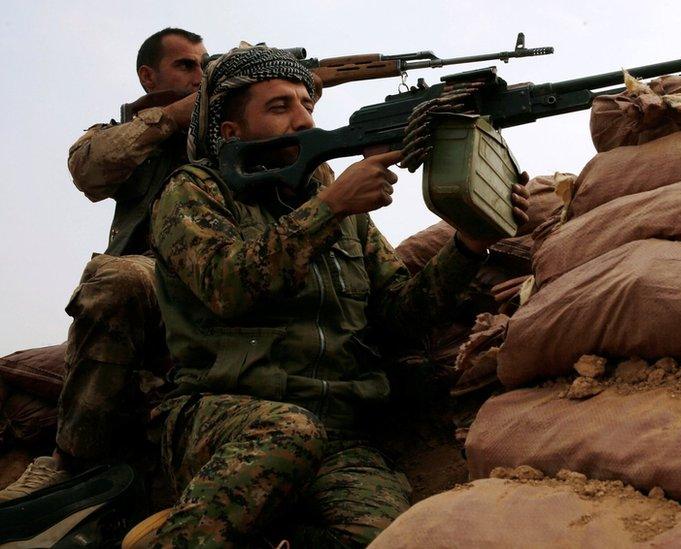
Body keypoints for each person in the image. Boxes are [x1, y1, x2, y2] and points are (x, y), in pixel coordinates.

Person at [130, 44, 530, 547]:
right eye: (279, 107)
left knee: (382, 535)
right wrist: (329, 207)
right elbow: (226, 286)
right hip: (225, 414)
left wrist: (469, 243)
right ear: (231, 133)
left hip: (341, 432)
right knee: (289, 430)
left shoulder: (345, 212)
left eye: (307, 105)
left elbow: (400, 314)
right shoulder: (194, 191)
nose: (302, 120)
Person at [0, 28, 207, 501]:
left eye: (205, 64)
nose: (200, 75)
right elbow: (90, 168)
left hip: (239, 263)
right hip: (163, 278)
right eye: (186, 65)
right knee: (116, 279)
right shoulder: (135, 131)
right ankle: (70, 462)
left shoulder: (239, 121)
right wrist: (175, 117)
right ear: (148, 76)